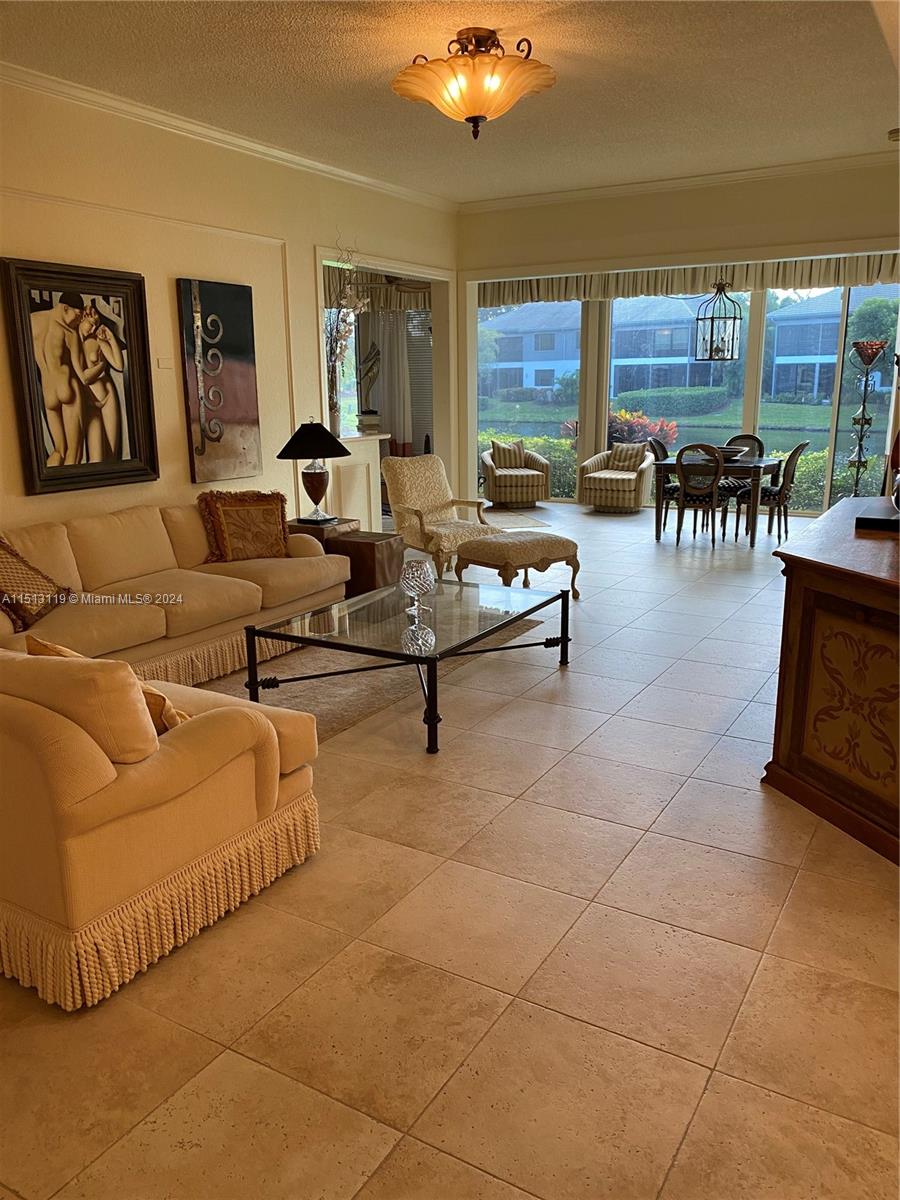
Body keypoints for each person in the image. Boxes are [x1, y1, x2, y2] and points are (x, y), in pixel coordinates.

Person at [30, 292, 106, 466]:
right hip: (68, 388)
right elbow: (84, 377)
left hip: (48, 393)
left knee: (59, 452)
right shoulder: (70, 334)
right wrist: (102, 365)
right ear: (65, 308)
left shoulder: (32, 320)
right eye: (78, 316)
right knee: (74, 454)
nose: (78, 321)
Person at [78, 305, 124, 462]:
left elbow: (119, 365)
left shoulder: (97, 341)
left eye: (95, 325)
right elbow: (85, 377)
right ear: (82, 318)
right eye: (90, 324)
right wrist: (101, 366)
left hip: (108, 395)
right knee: (96, 458)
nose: (92, 329)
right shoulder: (72, 343)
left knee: (112, 453)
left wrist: (111, 338)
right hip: (90, 401)